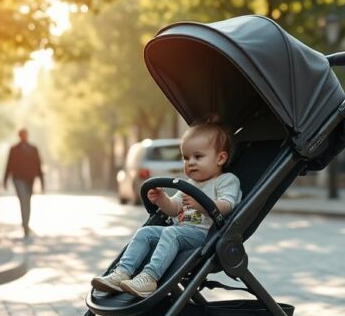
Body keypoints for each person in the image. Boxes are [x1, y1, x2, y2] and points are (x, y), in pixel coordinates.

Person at [92, 116, 242, 298]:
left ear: (220, 158)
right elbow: (174, 209)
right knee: (145, 233)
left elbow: (228, 205)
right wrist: (162, 199)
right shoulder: (191, 183)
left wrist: (203, 204)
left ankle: (149, 277)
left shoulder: (226, 180)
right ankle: (121, 273)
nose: (191, 163)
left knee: (171, 233)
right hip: (180, 233)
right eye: (186, 158)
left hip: (204, 235)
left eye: (198, 156)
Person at [3, 128, 45, 237]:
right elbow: (9, 165)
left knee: (28, 200)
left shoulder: (33, 149)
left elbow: (38, 165)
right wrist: (5, 179)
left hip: (30, 179)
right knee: (23, 199)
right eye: (22, 135)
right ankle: (25, 224)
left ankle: (26, 222)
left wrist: (42, 181)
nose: (24, 136)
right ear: (19, 136)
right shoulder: (14, 149)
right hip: (18, 179)